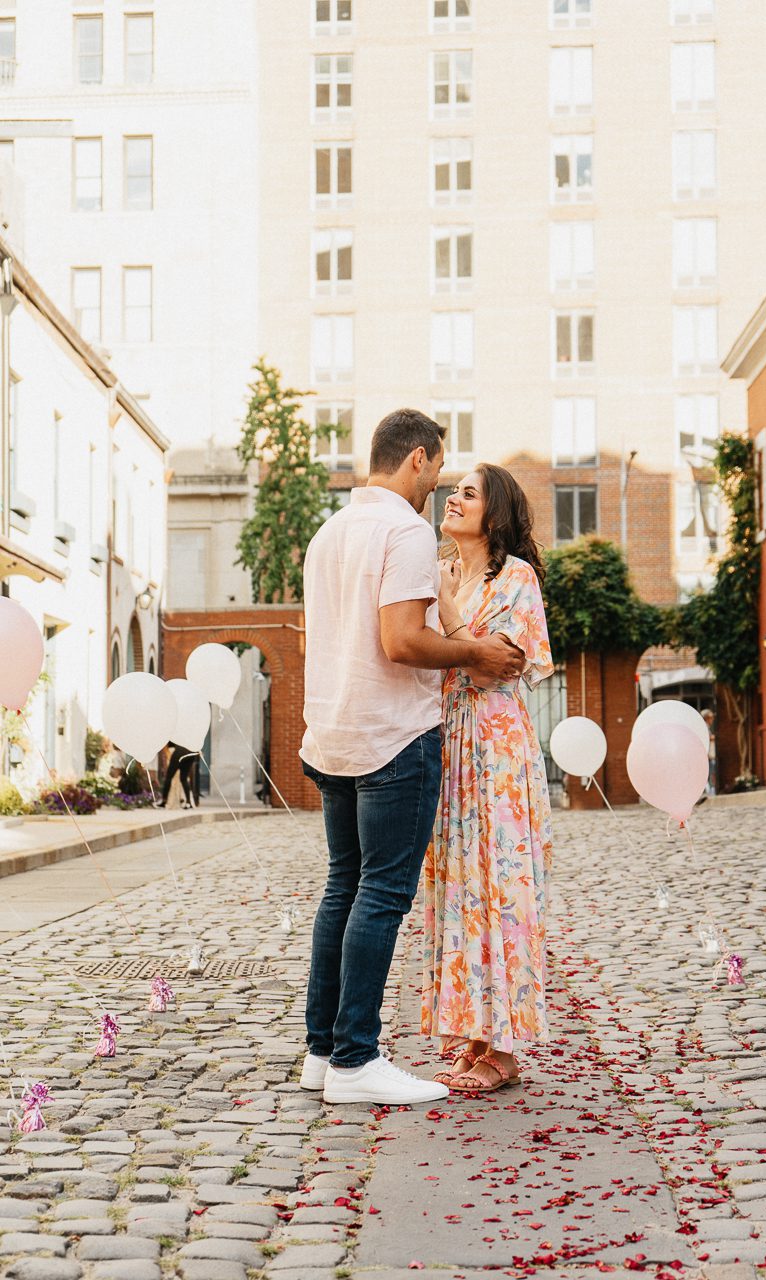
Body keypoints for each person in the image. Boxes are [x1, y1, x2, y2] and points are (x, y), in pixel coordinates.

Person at [298, 409, 526, 1107]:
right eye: (438, 470)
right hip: (391, 736)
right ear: (419, 460)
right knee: (382, 895)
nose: (437, 487)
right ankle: (357, 1059)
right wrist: (475, 651)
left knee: (343, 886)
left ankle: (322, 1052)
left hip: (332, 734)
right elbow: (402, 641)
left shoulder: (329, 533)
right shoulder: (402, 530)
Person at [422, 464, 554, 1094]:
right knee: (459, 885)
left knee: (499, 883)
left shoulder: (516, 578)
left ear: (494, 514)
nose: (452, 497)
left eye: (467, 493)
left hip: (495, 746)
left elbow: (498, 665)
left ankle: (504, 1044)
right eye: (453, 489)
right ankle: (473, 1029)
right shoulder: (441, 572)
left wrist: (449, 619)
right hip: (448, 742)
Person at [155, 742, 196, 809]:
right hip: (191, 753)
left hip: (179, 752)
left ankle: (164, 801)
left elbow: (170, 743)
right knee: (184, 778)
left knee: (168, 777)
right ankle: (188, 802)